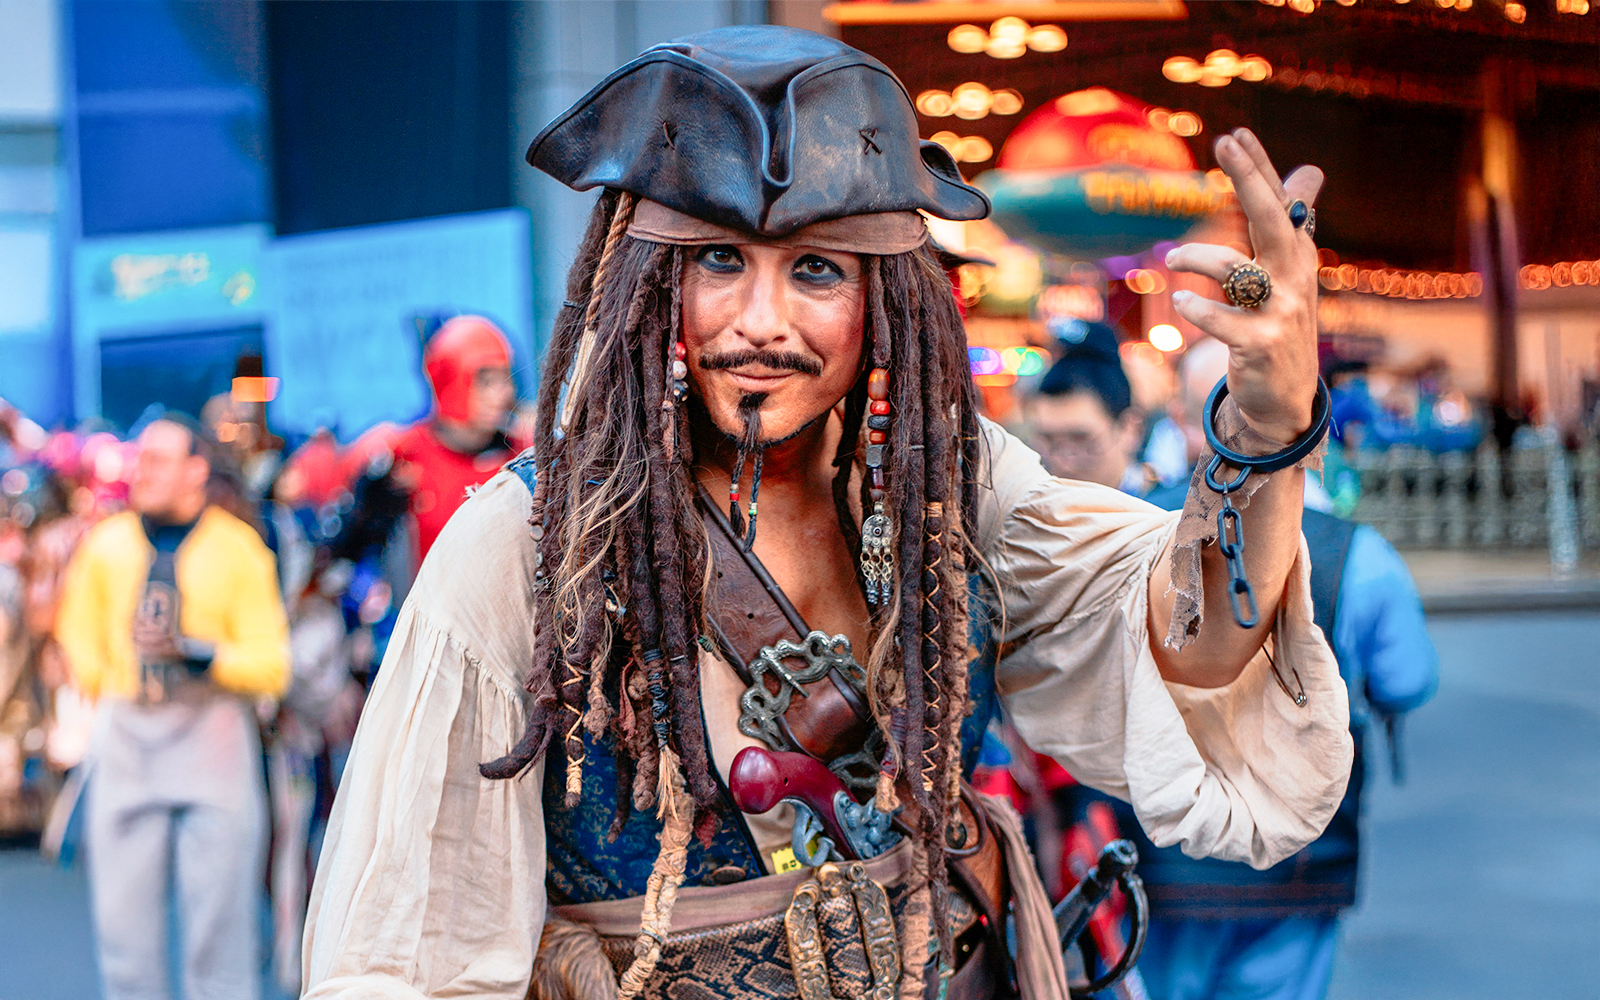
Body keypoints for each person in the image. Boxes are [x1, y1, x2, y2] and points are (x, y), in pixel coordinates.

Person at [302, 26, 1352, 1000]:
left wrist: (1266, 431)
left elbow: (1199, 645)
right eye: (719, 260)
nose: (762, 322)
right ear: (649, 282)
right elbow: (404, 954)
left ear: (884, 297)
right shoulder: (529, 544)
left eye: (815, 270)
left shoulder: (948, 485)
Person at [1063, 340, 1438, 1000]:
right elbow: (1406, 682)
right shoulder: (1361, 556)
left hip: (1155, 858)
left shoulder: (1129, 534)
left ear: (1183, 422)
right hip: (1297, 865)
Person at [55, 413, 290, 1000]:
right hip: (129, 736)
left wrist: (200, 655)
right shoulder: (106, 544)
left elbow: (272, 663)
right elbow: (75, 630)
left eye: (160, 460)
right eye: (142, 459)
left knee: (221, 931)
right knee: (124, 935)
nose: (144, 471)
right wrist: (106, 680)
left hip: (213, 738)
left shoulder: (238, 549)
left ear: (196, 470)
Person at [388, 314, 526, 564]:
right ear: (449, 379)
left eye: (505, 379)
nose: (502, 394)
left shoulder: (521, 452)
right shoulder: (403, 453)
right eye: (486, 382)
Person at [1024, 320, 1159, 495]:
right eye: (1048, 440)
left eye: (1080, 439)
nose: (1063, 463)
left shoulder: (1170, 507)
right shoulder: (1035, 505)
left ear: (1130, 429)